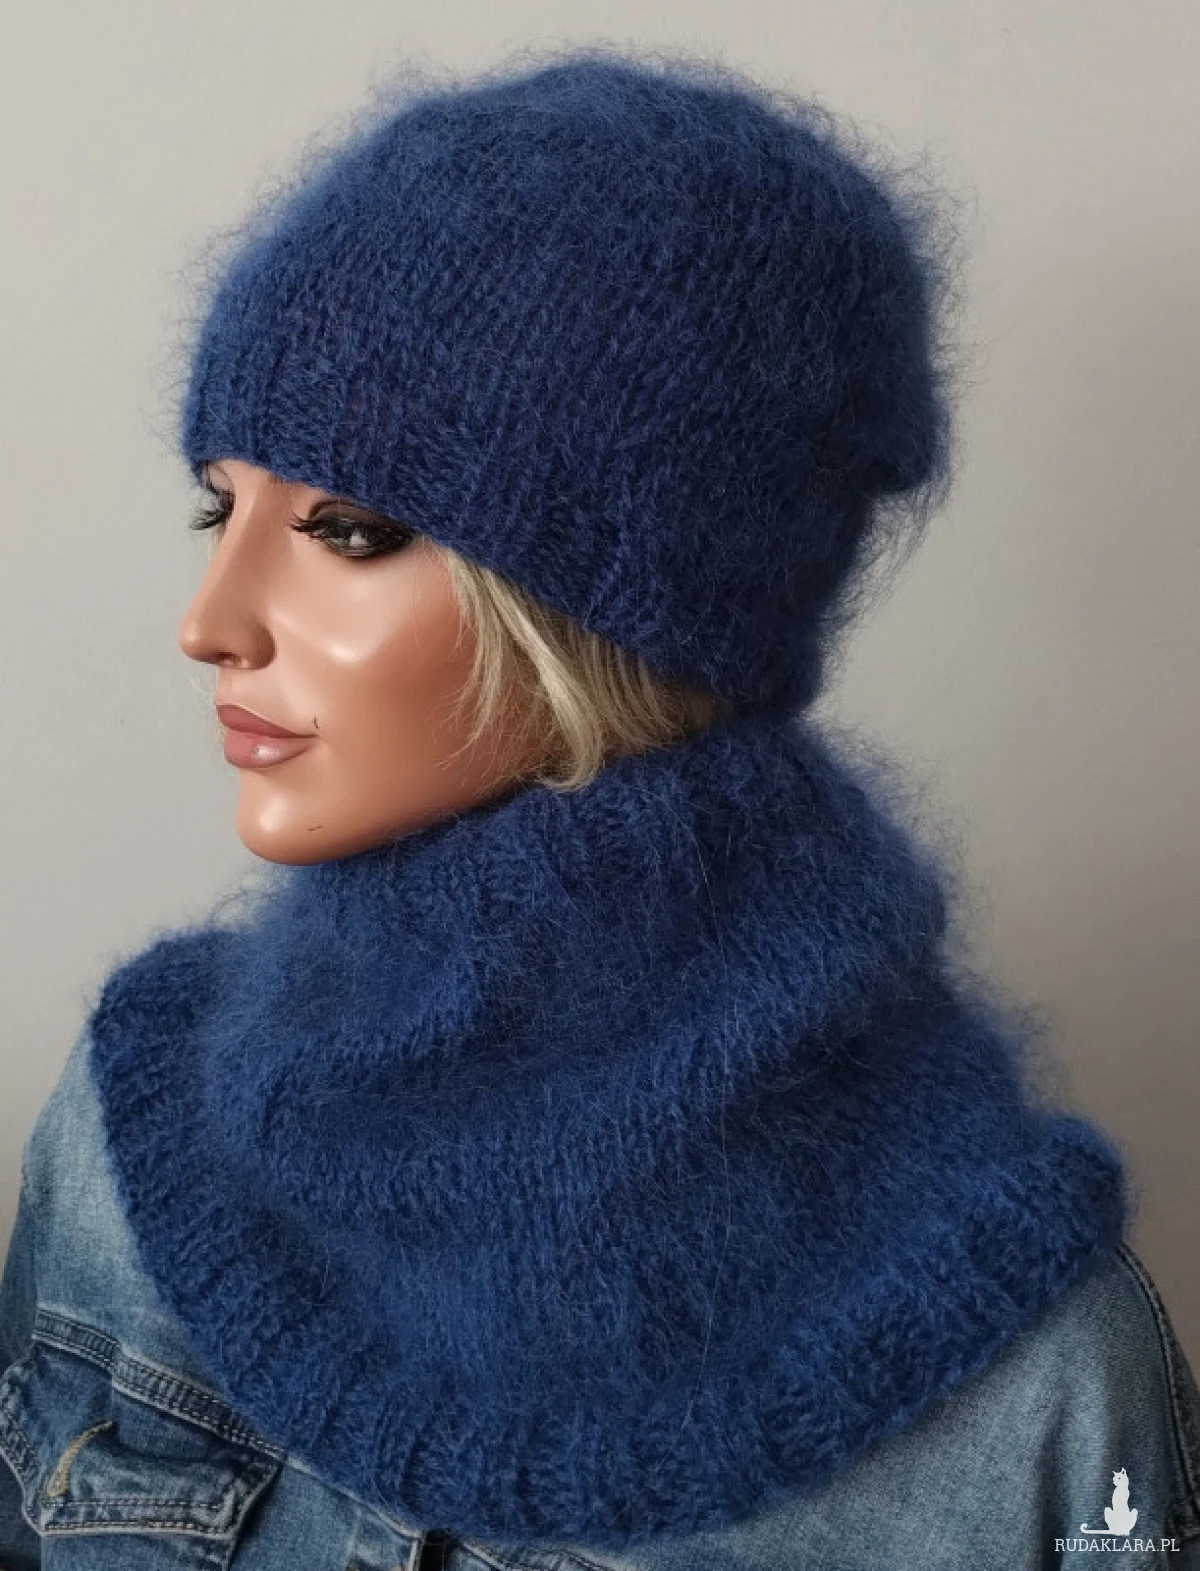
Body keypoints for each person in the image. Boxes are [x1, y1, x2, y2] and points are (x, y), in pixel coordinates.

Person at [2, 42, 1199, 1571]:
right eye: (216, 507)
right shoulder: (130, 1139)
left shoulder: (1031, 1396)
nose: (210, 619)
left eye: (346, 527)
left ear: (630, 601)